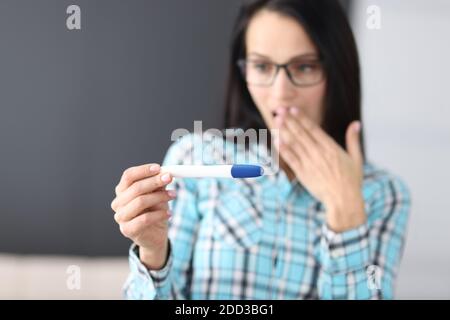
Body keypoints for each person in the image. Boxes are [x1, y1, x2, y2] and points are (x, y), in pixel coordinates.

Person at [111, 0, 411, 299]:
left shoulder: (385, 193)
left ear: (336, 72)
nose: (281, 93)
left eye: (304, 66)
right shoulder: (195, 156)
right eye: (262, 66)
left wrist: (347, 211)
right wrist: (153, 251)